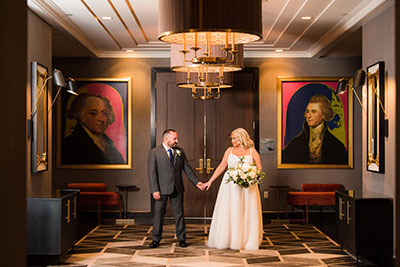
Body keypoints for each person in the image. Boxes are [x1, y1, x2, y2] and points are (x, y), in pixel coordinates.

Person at [204, 128, 263, 250]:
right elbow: (222, 166)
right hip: (230, 187)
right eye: (232, 138)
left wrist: (250, 175)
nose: (232, 141)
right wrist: (210, 181)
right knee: (230, 210)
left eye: (234, 138)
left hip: (248, 187)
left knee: (247, 211)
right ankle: (229, 239)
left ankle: (246, 240)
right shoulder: (229, 151)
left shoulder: (252, 151)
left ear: (242, 138)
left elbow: (259, 167)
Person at [147, 129, 204, 248]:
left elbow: (187, 169)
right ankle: (156, 239)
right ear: (166, 139)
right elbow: (152, 173)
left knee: (179, 214)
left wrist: (197, 182)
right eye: (175, 139)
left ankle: (182, 239)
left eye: (177, 139)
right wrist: (154, 190)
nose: (177, 141)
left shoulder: (180, 151)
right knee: (158, 215)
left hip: (177, 188)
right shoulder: (155, 152)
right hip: (161, 189)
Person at [282, 94, 348, 164]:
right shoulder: (295, 144)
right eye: (307, 111)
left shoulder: (336, 146)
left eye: (313, 112)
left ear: (323, 115)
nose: (309, 116)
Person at [62, 93, 125, 164]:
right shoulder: (70, 145)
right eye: (93, 113)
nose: (101, 119)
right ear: (79, 114)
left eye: (104, 113)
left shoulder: (107, 143)